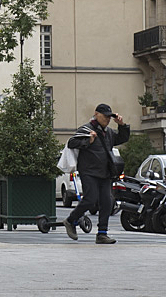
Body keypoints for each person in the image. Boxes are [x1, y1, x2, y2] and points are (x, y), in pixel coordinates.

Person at [63, 103, 130, 244]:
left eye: (109, 117)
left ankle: (102, 234)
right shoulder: (86, 129)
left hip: (105, 172)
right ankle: (71, 220)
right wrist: (88, 140)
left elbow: (122, 138)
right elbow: (71, 143)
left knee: (107, 202)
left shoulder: (109, 133)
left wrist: (122, 125)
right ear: (96, 114)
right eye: (105, 116)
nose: (107, 119)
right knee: (90, 199)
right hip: (89, 171)